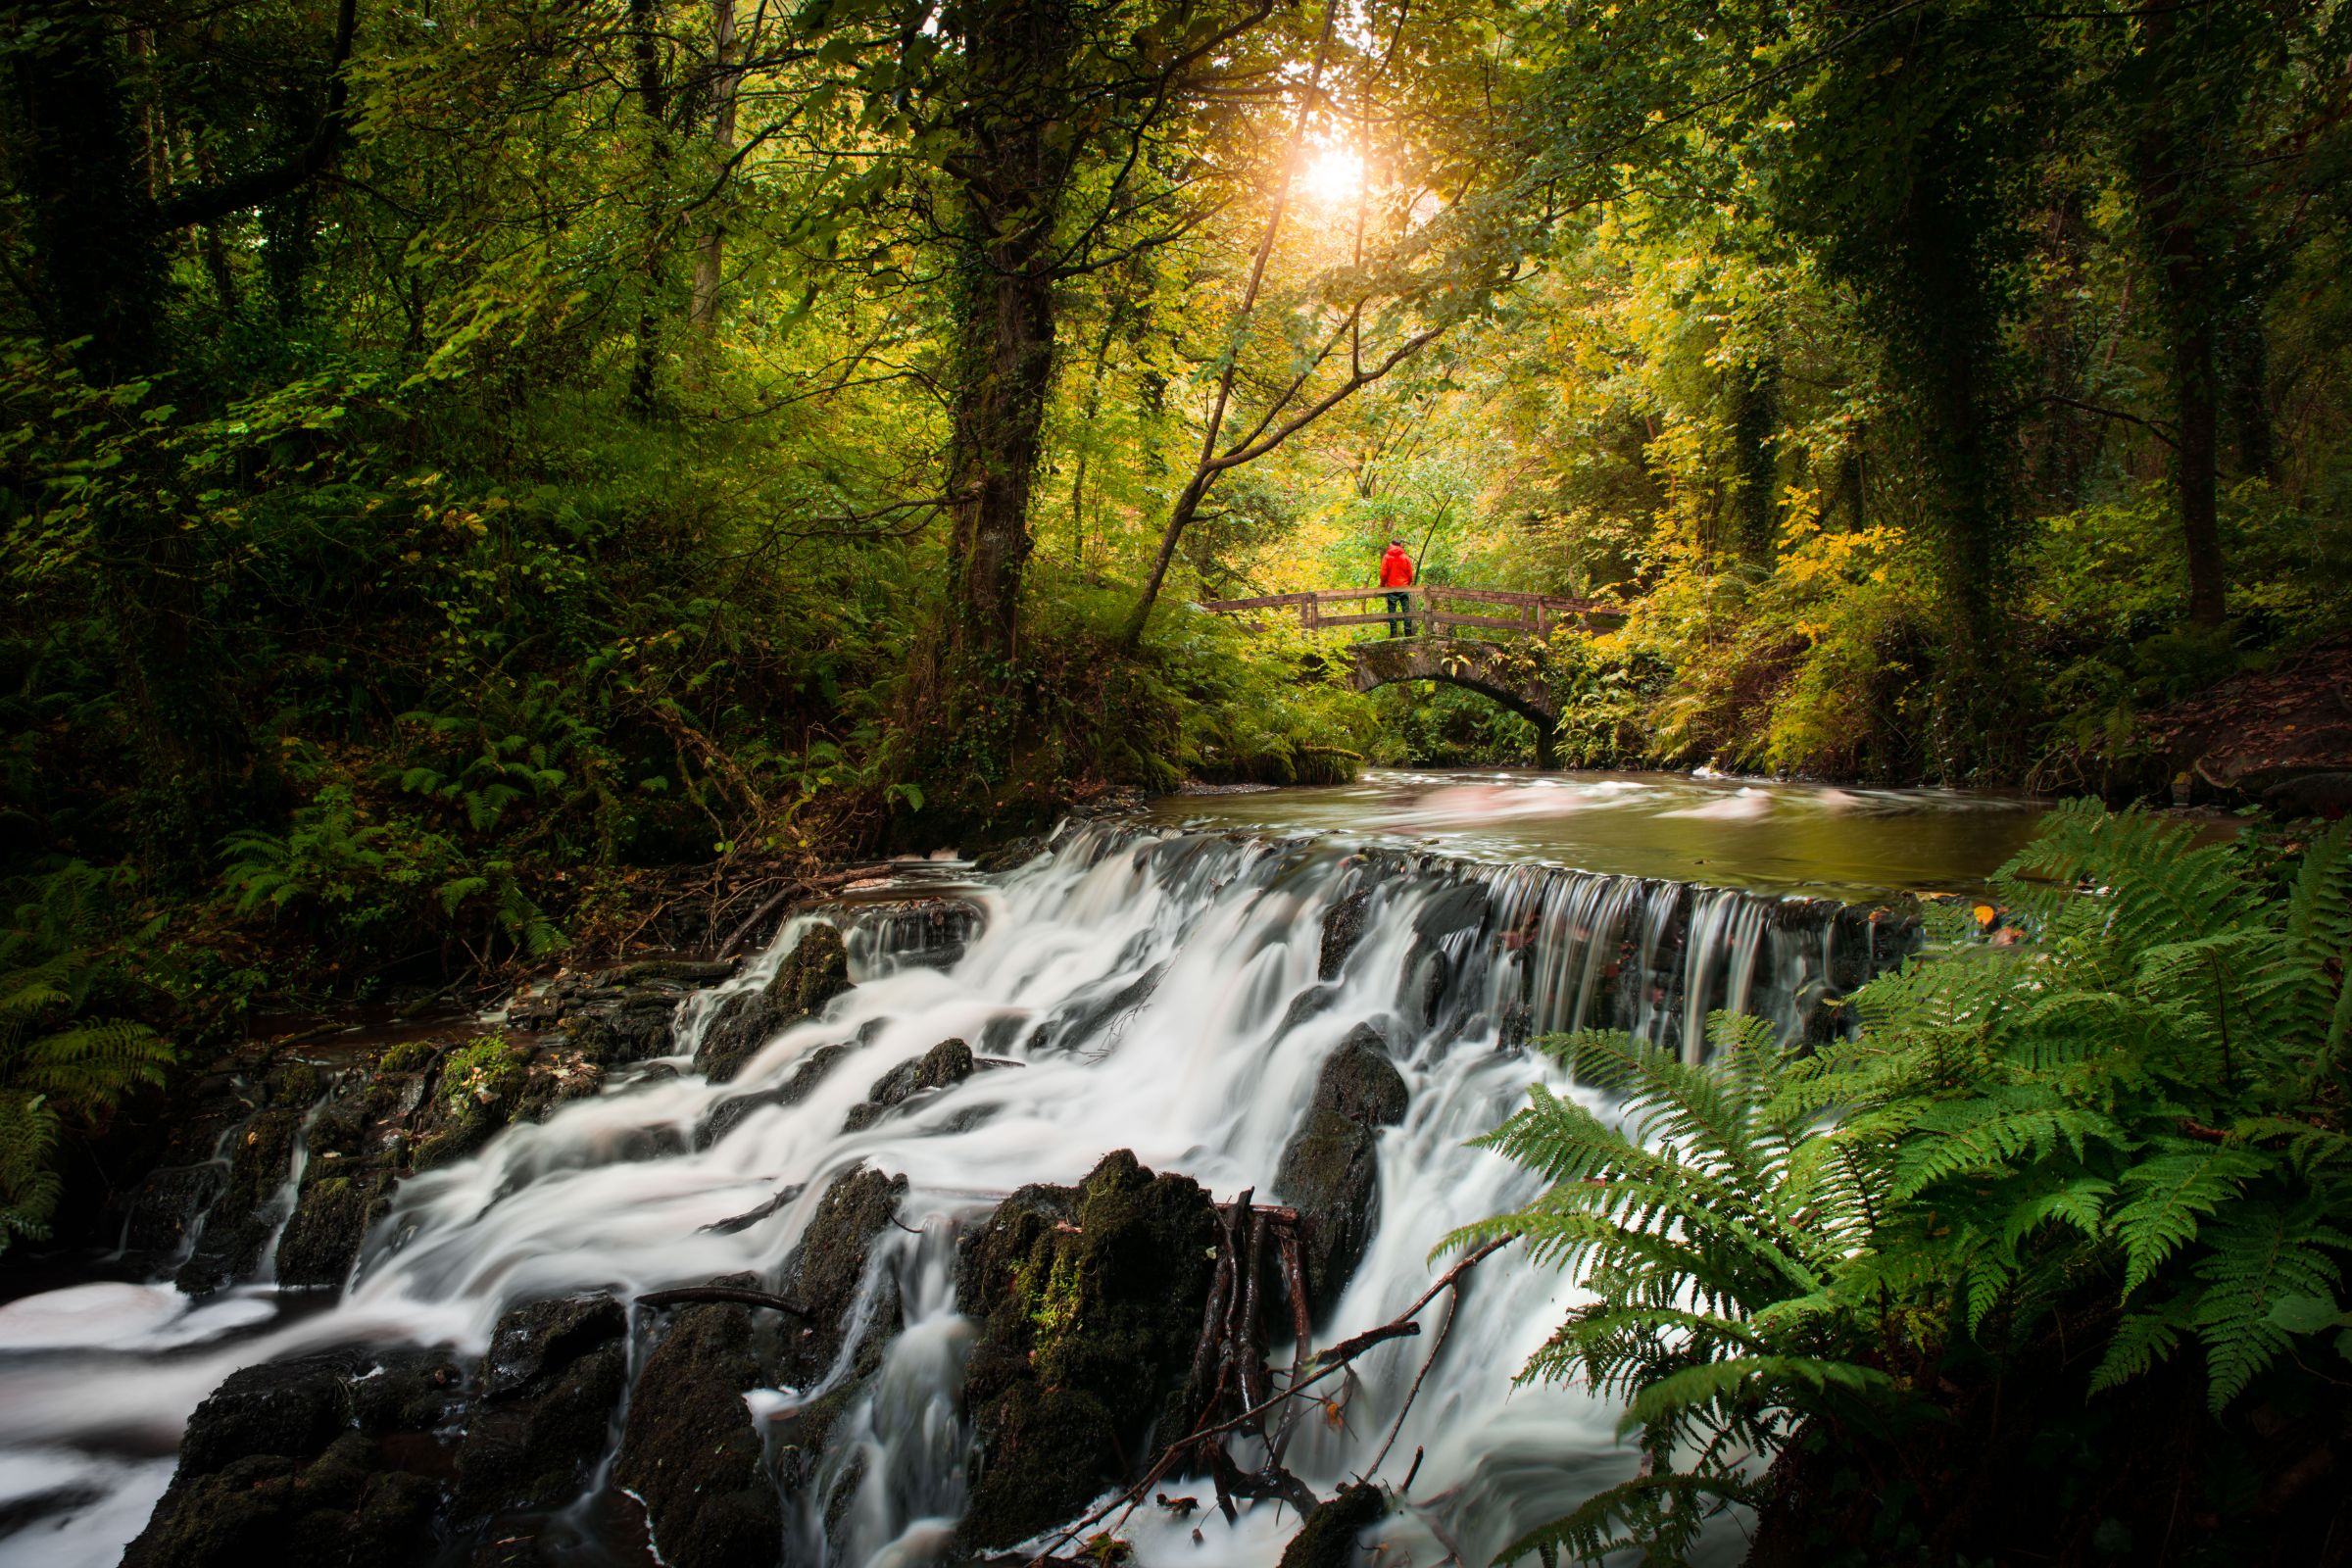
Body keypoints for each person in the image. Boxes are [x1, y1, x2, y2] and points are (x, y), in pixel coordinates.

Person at [1379, 538, 1416, 636]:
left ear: (1391, 544)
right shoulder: (1405, 557)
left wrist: (1382, 585)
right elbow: (1410, 573)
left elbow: (1383, 573)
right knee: (1406, 610)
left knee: (1392, 611)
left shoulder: (1387, 557)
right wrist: (1409, 582)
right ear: (1400, 545)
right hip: (1404, 587)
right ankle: (1408, 632)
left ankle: (1393, 633)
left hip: (1391, 587)